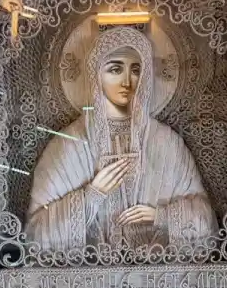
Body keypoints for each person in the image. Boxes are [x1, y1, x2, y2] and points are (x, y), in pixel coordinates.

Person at [25, 26, 216, 253]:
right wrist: (91, 196)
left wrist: (162, 216)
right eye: (115, 69)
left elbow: (205, 223)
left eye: (136, 70)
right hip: (91, 271)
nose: (127, 81)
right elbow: (37, 234)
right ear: (96, 74)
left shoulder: (167, 143)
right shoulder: (68, 143)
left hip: (156, 269)